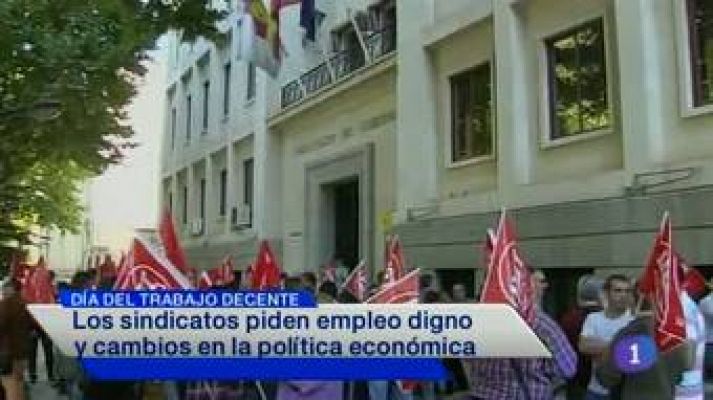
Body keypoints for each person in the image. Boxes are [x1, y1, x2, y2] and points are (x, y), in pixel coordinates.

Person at [596, 296, 694, 399]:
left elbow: (607, 378)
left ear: (633, 301)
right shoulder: (677, 333)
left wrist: (603, 357)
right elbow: (682, 371)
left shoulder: (631, 333)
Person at [579, 274, 634, 400]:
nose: (623, 295)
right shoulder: (593, 318)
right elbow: (584, 346)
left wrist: (600, 346)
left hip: (623, 391)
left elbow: (632, 354)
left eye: (627, 291)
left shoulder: (633, 322)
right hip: (596, 390)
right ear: (606, 293)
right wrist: (619, 345)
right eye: (618, 290)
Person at [0, 278, 31, 400]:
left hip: (7, 352)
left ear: (10, 289)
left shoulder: (6, 305)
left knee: (9, 385)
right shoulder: (24, 304)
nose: (2, 291)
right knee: (18, 383)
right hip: (21, 351)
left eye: (4, 288)